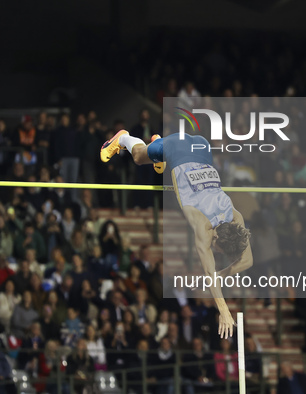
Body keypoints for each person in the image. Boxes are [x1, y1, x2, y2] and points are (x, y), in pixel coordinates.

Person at [101, 130, 252, 338]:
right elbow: (209, 274)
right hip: (174, 147)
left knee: (158, 154)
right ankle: (123, 137)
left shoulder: (235, 216)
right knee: (138, 157)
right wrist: (224, 310)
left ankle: (158, 150)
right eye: (218, 250)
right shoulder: (202, 226)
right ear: (215, 238)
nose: (215, 252)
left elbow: (247, 261)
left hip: (202, 146)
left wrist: (220, 275)